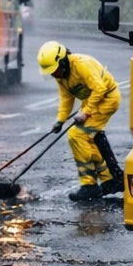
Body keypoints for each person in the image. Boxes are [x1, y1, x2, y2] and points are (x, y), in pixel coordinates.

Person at [36, 41, 123, 202]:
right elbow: (66, 98)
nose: (53, 75)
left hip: (107, 99)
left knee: (77, 134)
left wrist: (86, 112)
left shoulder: (82, 65)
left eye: (54, 70)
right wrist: (60, 120)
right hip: (92, 101)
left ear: (62, 61)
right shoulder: (62, 75)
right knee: (87, 139)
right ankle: (109, 180)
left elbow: (100, 89)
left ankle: (89, 185)